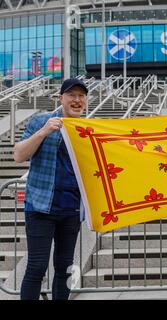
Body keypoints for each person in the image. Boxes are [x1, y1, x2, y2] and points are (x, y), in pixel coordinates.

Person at [14, 78, 88, 300]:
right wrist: (43, 132)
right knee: (36, 267)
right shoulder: (41, 121)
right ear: (61, 98)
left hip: (72, 209)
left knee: (65, 268)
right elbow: (18, 155)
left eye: (81, 96)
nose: (76, 100)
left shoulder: (88, 129)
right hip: (40, 206)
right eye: (71, 95)